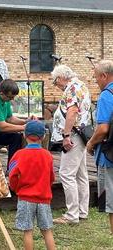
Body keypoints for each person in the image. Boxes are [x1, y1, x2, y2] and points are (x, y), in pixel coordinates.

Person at [51, 65, 91, 224]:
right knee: (81, 175)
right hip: (81, 134)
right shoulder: (81, 85)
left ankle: (72, 215)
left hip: (73, 135)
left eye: (55, 82)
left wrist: (66, 135)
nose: (56, 85)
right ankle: (82, 211)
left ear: (61, 77)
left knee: (66, 174)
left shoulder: (72, 88)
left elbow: (72, 112)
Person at [9, 120, 55, 250]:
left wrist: (16, 188)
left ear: (24, 135)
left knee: (28, 231)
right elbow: (51, 177)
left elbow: (12, 176)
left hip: (25, 198)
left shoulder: (18, 155)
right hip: (44, 198)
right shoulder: (48, 155)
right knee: (47, 231)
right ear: (44, 136)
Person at [87, 60, 113, 234]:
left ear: (104, 76)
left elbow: (103, 128)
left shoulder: (106, 95)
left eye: (96, 78)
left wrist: (90, 142)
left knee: (111, 203)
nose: (95, 81)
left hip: (108, 155)